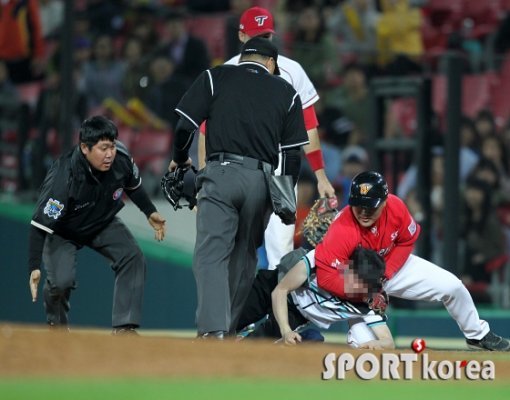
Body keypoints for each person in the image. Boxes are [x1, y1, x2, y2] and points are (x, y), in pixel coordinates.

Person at [168, 37, 309, 338]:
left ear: (242, 57)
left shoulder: (214, 76)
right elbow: (293, 155)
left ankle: (213, 331)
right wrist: (284, 196)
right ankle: (228, 330)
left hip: (221, 174)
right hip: (261, 181)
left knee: (211, 254)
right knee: (244, 259)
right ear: (271, 64)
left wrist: (181, 161)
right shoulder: (286, 91)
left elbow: (183, 129)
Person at [197, 6, 336, 271]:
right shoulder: (222, 74)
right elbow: (206, 131)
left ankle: (278, 312)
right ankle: (231, 311)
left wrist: (321, 176)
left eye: (266, 37)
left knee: (281, 250)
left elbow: (308, 126)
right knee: (234, 246)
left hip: (282, 171)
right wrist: (205, 176)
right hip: (236, 168)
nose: (261, 43)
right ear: (241, 36)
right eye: (255, 36)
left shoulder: (292, 70)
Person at [314, 170, 510, 351]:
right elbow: (325, 278)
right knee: (367, 345)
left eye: (370, 206)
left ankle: (477, 335)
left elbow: (407, 241)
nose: (363, 212)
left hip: (389, 266)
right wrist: (364, 292)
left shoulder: (396, 207)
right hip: (353, 281)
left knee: (452, 286)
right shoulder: (341, 229)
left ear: (384, 201)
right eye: (359, 205)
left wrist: (384, 275)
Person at [28, 115, 167, 334]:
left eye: (111, 146)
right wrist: (34, 266)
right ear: (84, 147)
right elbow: (40, 226)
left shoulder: (120, 158)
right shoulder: (64, 178)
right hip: (65, 230)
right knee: (61, 283)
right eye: (103, 148)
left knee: (132, 256)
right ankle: (57, 329)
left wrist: (150, 211)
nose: (110, 153)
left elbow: (133, 186)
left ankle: (124, 328)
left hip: (101, 221)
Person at [237, 205, 394, 348]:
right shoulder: (324, 261)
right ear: (348, 269)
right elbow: (280, 291)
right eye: (358, 279)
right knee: (228, 320)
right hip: (276, 283)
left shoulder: (365, 302)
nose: (360, 287)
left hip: (297, 315)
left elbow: (388, 341)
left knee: (254, 346)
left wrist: (377, 343)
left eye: (366, 284)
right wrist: (286, 331)